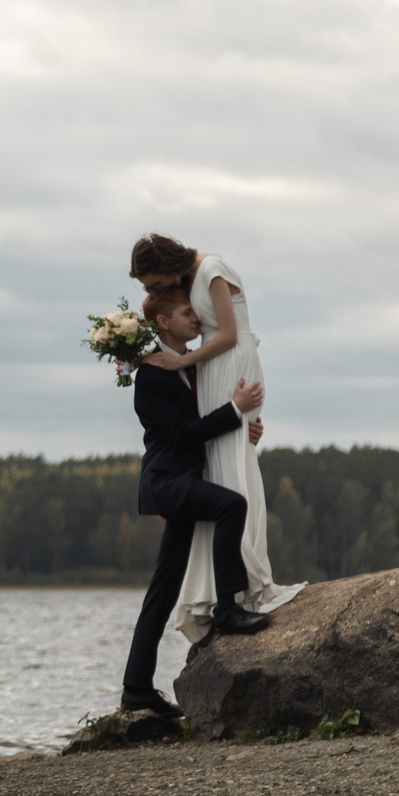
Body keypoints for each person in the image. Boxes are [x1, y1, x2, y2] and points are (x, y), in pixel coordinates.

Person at [129, 232, 299, 649]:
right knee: (222, 472)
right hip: (212, 370)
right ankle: (226, 595)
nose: (152, 291)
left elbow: (227, 333)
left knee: (234, 478)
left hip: (225, 360)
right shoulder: (184, 286)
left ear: (165, 265)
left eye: (151, 282)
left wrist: (183, 361)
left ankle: (241, 588)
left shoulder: (212, 269)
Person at [119, 287, 269, 718]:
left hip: (185, 479)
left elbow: (208, 413)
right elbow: (184, 432)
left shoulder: (192, 363)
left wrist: (244, 427)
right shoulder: (149, 376)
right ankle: (227, 607)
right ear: (163, 322)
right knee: (231, 506)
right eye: (187, 312)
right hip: (167, 482)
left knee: (162, 591)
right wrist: (234, 410)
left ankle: (135, 690)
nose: (196, 317)